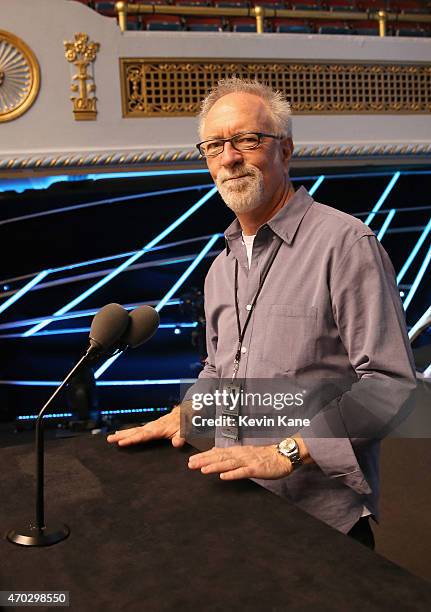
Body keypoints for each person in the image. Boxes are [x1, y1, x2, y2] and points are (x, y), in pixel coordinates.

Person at [108, 78, 416, 550]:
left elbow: (389, 385)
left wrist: (289, 452)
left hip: (320, 521)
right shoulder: (221, 266)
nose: (229, 157)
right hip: (236, 505)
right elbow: (220, 367)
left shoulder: (346, 244)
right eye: (214, 145)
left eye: (247, 140)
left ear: (286, 150)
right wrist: (190, 411)